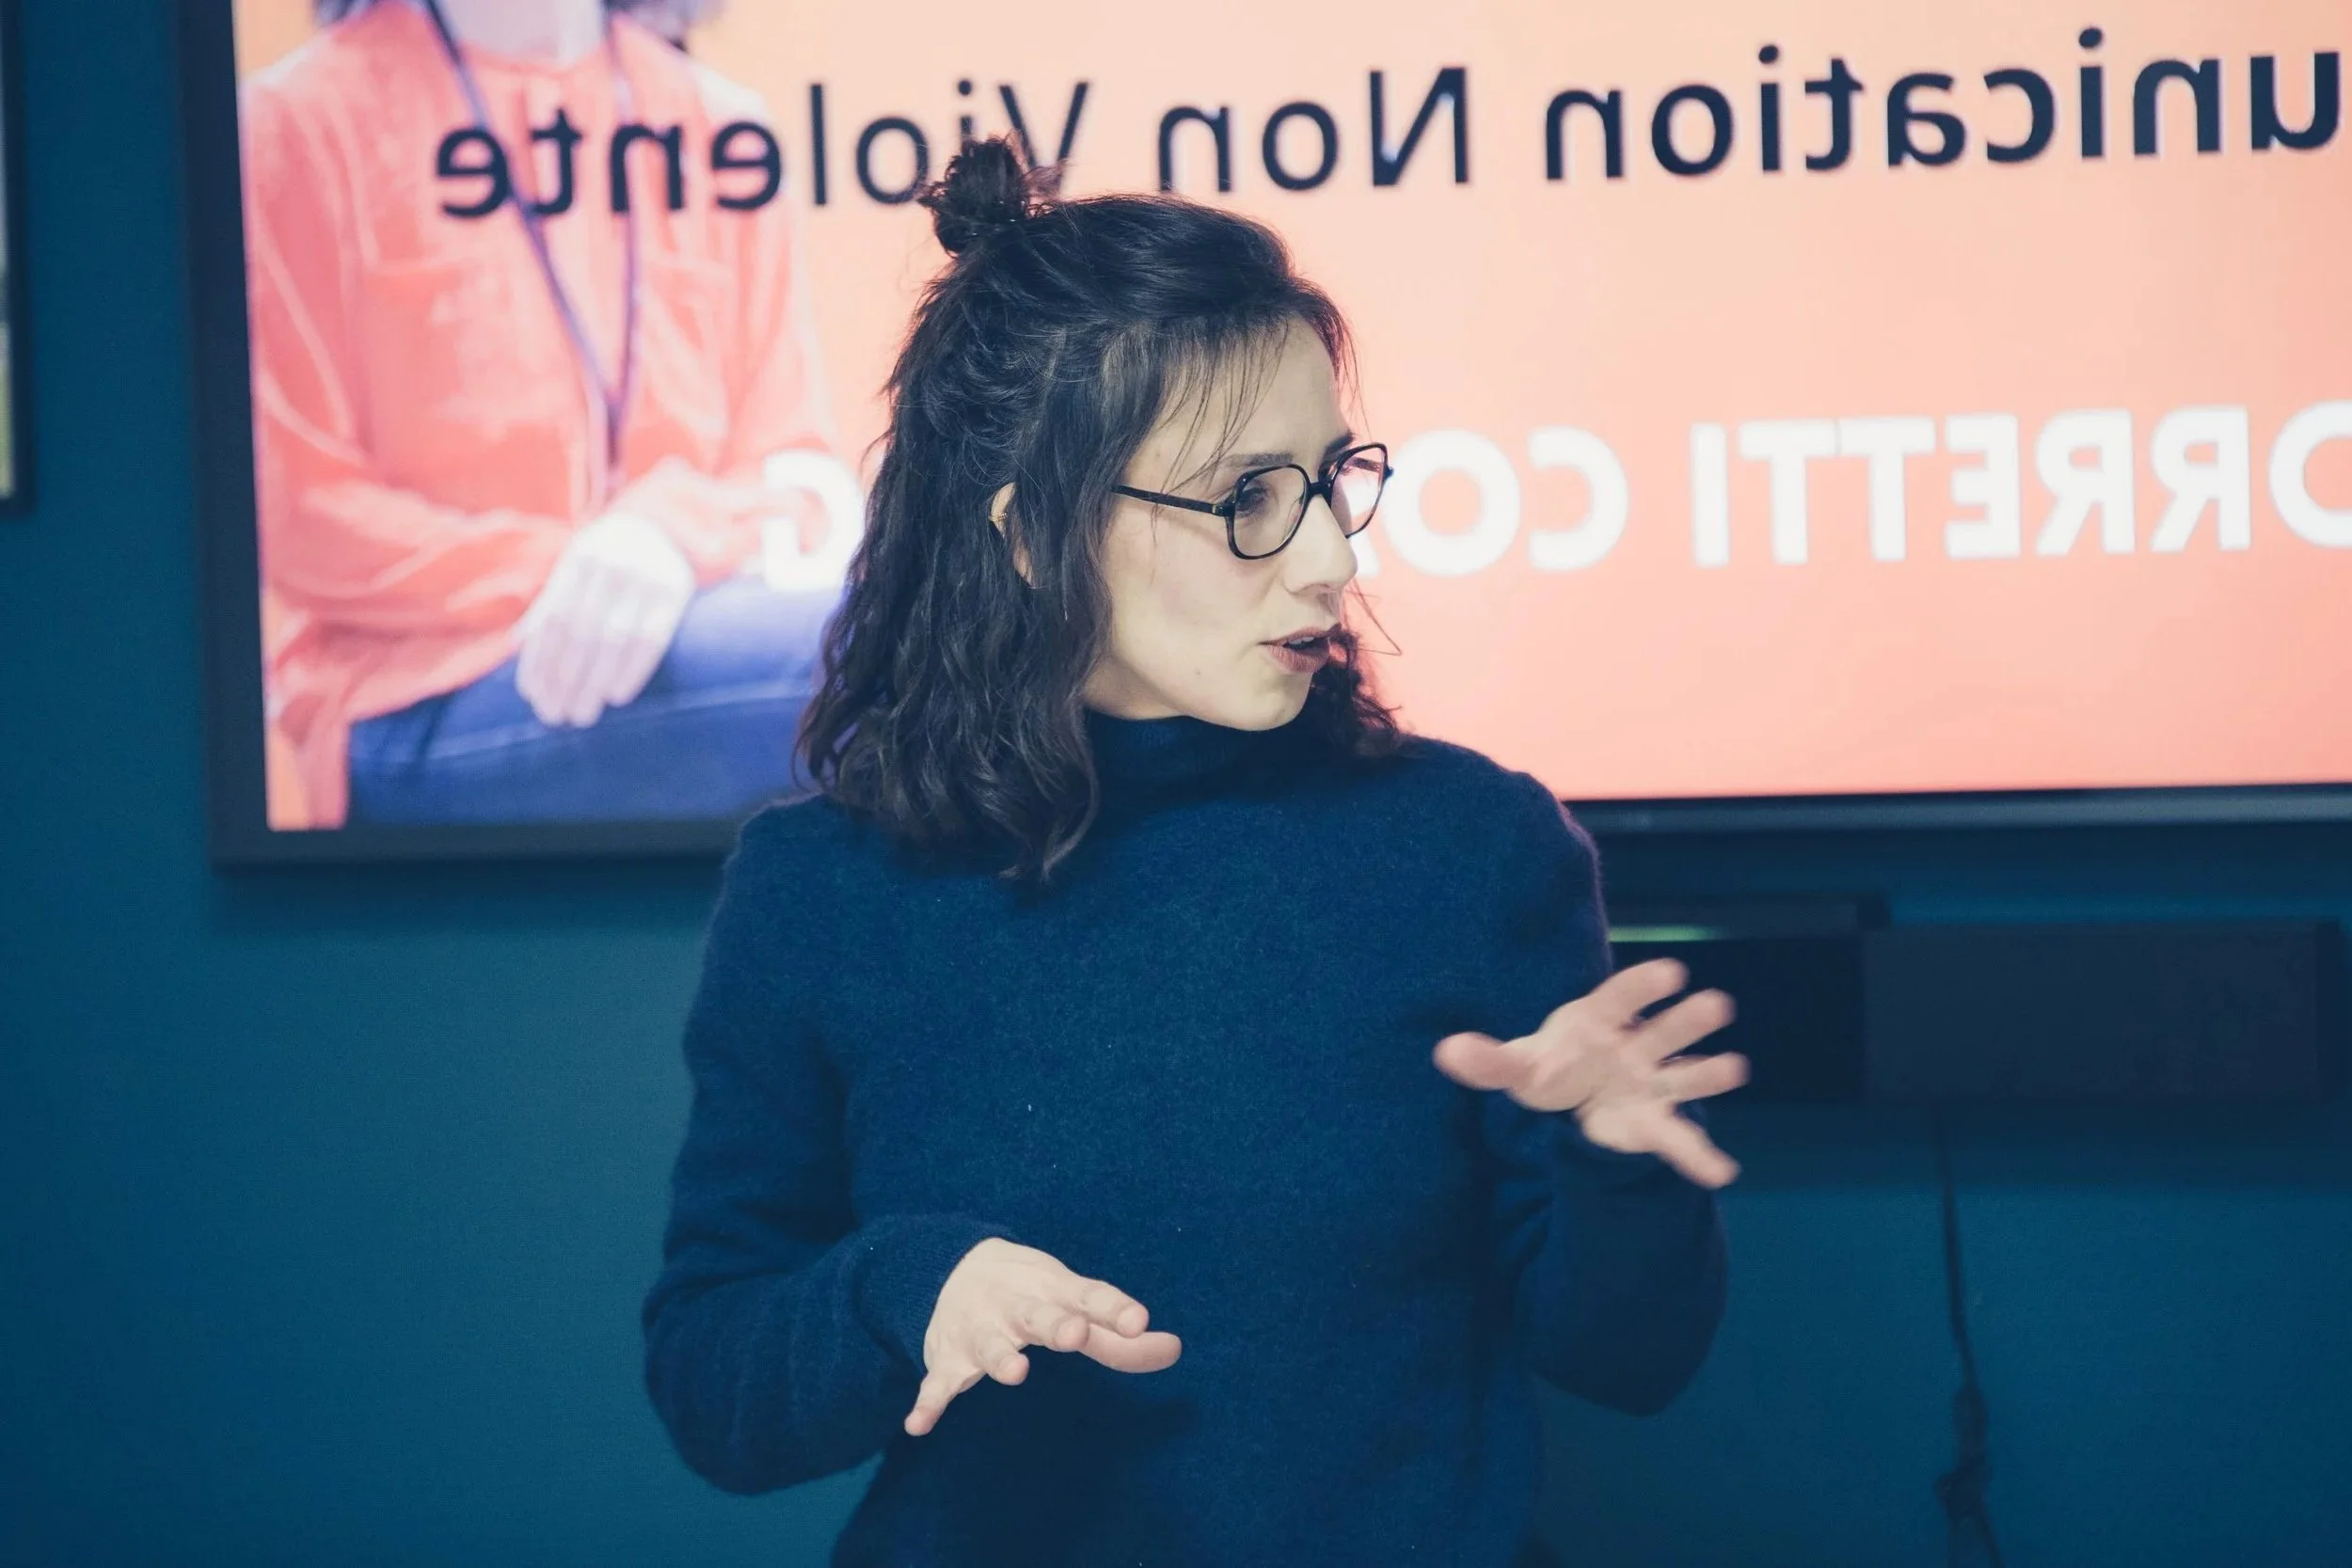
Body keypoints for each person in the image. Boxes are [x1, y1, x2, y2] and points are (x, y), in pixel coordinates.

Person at [641, 135, 1749, 1566]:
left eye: (1330, 477)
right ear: (1031, 536)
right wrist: (906, 1290)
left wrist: (1612, 1160)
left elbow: (1631, 1361)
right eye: (1245, 501)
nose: (1330, 563)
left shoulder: (1472, 847)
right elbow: (715, 1388)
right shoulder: (822, 891)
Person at [241, 0, 846, 829]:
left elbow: (797, 478)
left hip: (694, 634)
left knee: (963, 638)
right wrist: (577, 572)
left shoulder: (719, 124)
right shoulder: (295, 124)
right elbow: (299, 518)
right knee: (876, 667)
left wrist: (662, 538)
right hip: (417, 694)